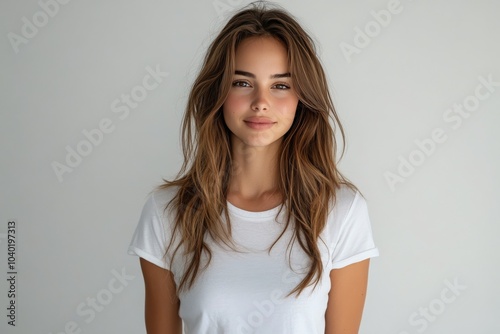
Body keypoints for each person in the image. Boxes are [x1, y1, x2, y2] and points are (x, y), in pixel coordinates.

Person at [128, 2, 379, 333]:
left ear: (302, 98)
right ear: (217, 91)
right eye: (242, 83)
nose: (261, 101)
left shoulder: (341, 212)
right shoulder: (167, 213)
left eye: (280, 85)